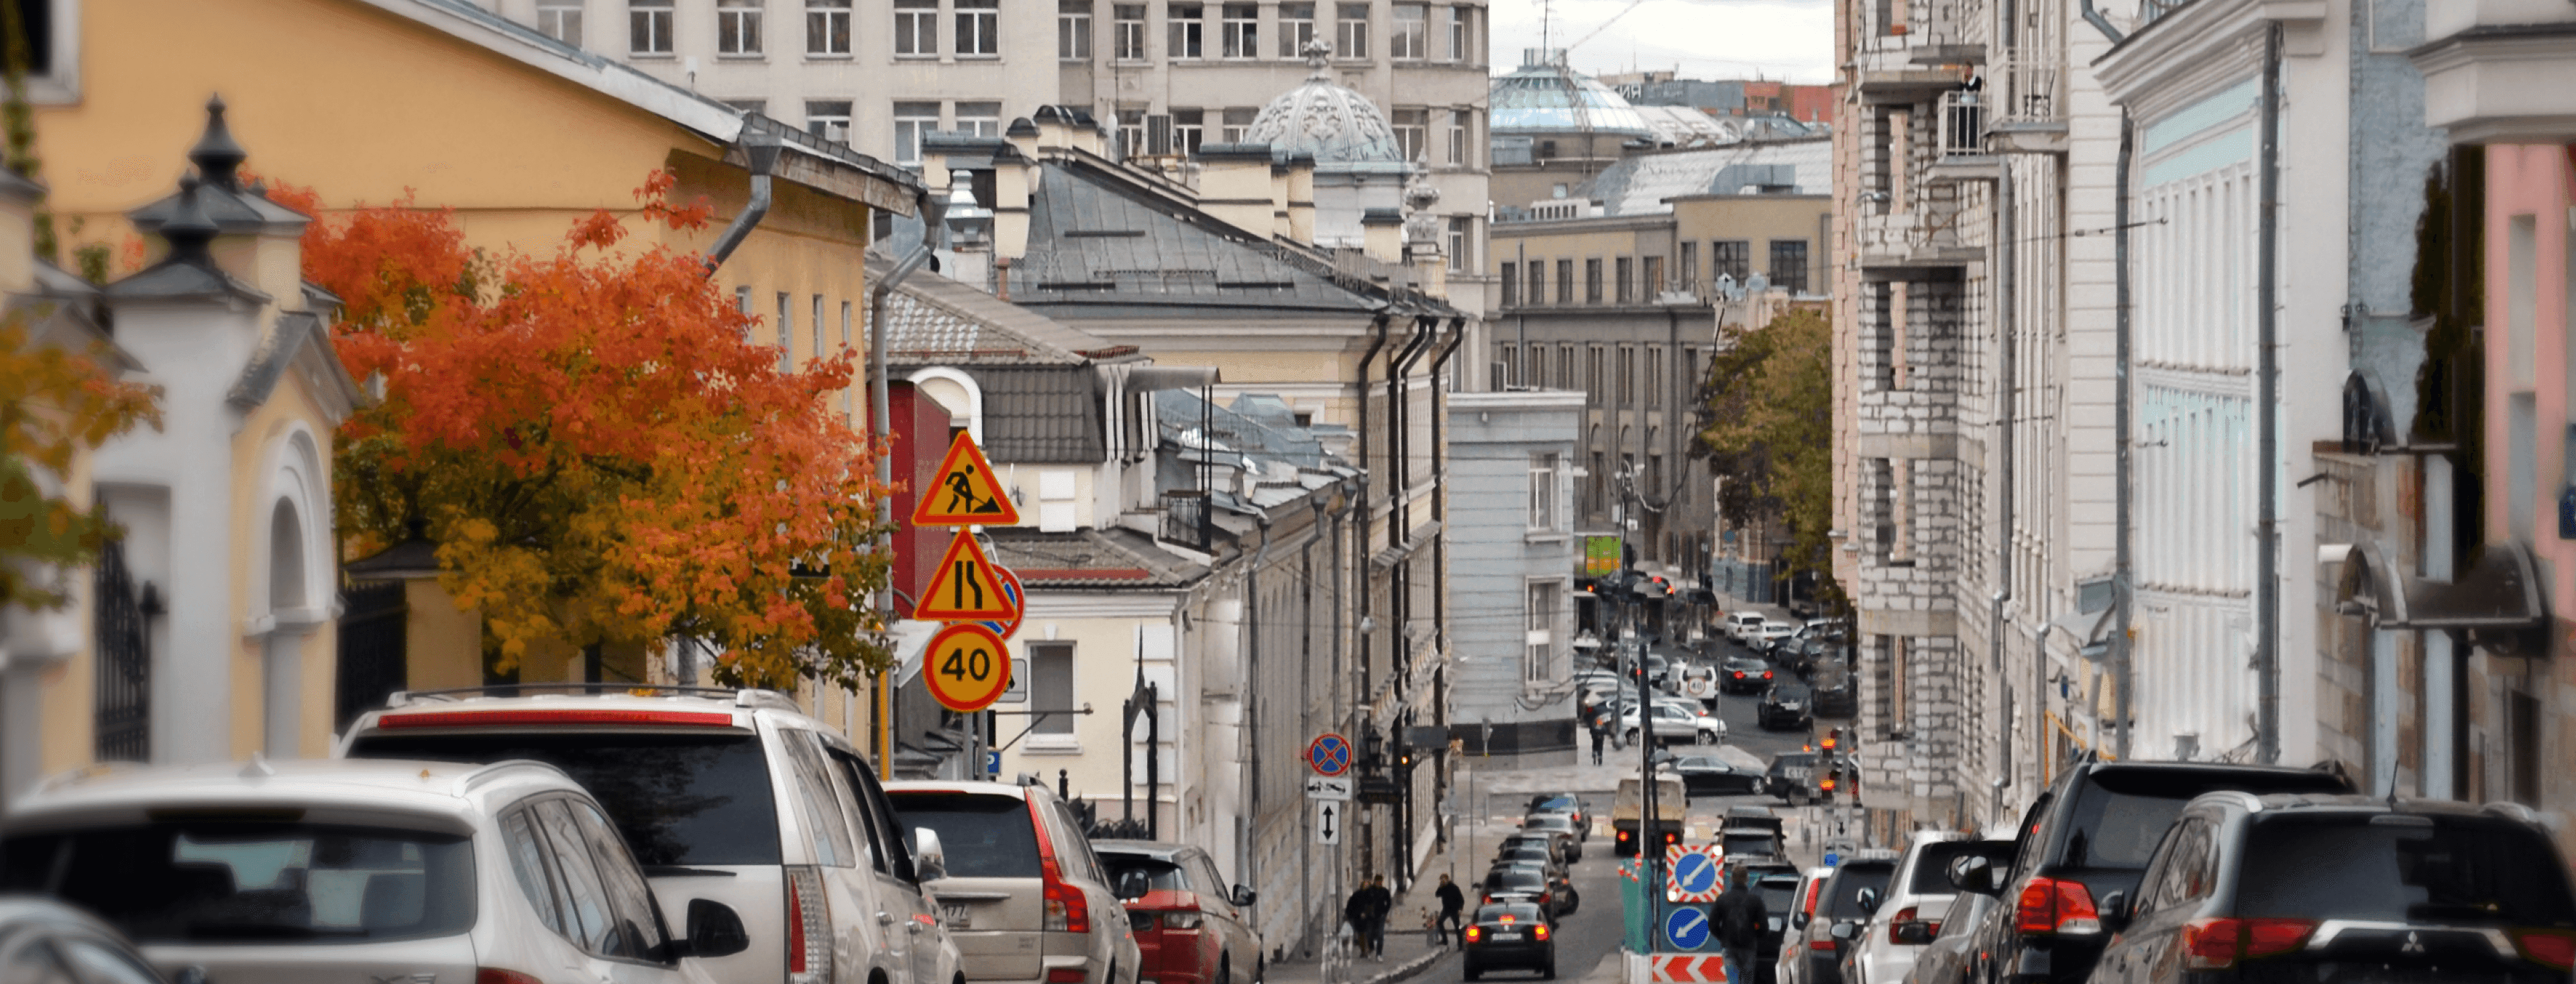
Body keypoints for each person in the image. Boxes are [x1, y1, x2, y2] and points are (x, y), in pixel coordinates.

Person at [1711, 869, 1768, 984]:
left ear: (1732, 879)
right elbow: (1764, 927)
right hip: (1749, 947)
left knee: (1733, 980)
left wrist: (1723, 937)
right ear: (1747, 879)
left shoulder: (1722, 899)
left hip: (1729, 946)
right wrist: (1755, 937)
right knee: (1747, 981)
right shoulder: (1756, 901)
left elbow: (1712, 924)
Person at [1354, 875, 1393, 959]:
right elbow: (1364, 901)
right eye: (1378, 882)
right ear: (1375, 882)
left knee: (1380, 935)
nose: (1379, 883)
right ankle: (1371, 947)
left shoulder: (1384, 891)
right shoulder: (1370, 891)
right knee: (1369, 934)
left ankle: (1379, 954)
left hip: (1381, 916)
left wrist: (1385, 912)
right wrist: (1363, 912)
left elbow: (1389, 902)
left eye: (1380, 882)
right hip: (1371, 916)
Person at [1434, 873, 1466, 947]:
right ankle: (1445, 940)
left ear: (1447, 879)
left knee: (1457, 927)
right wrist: (1440, 886)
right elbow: (1437, 894)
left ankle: (1460, 945)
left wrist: (1460, 909)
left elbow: (1461, 899)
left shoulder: (1454, 888)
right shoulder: (1443, 888)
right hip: (1446, 909)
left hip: (1454, 910)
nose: (1442, 881)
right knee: (1439, 922)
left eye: (1443, 879)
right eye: (1441, 880)